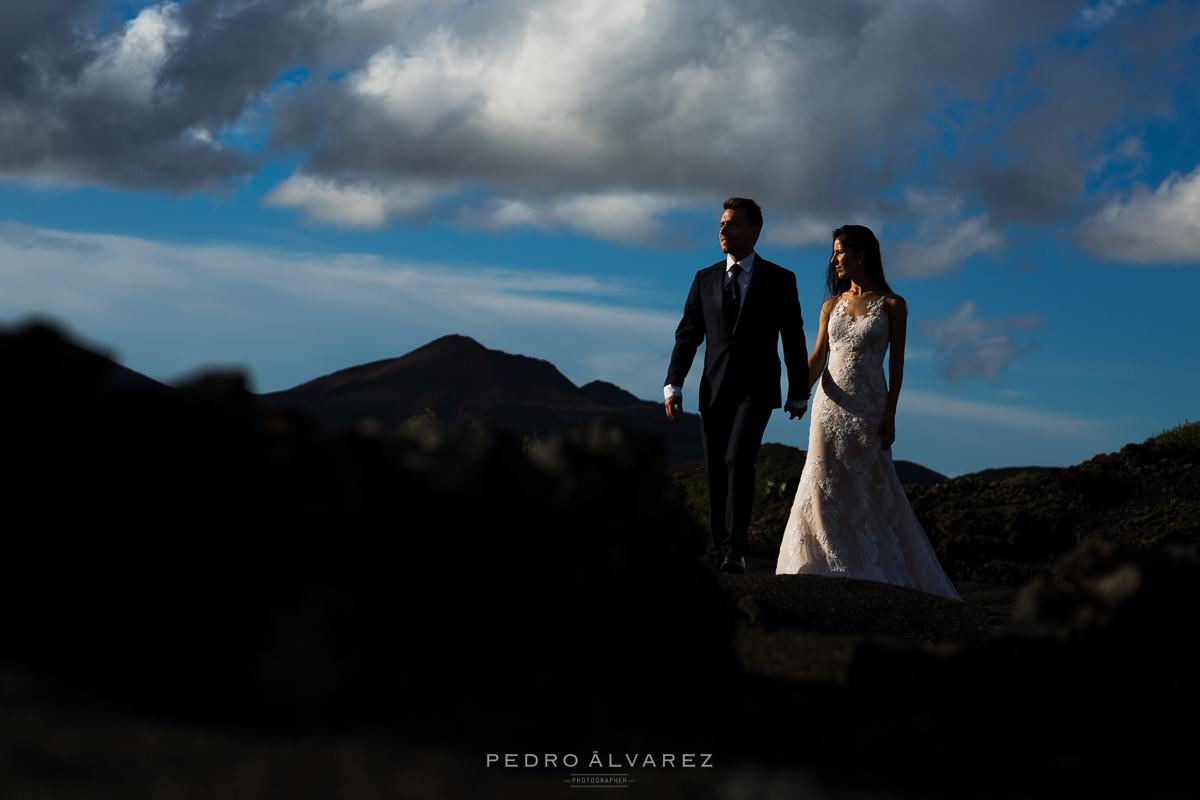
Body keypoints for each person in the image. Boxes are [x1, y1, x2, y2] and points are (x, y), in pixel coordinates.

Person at [775, 225, 959, 599]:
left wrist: (891, 414)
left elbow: (898, 366)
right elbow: (817, 358)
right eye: (833, 253)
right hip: (829, 405)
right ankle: (825, 562)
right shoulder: (831, 305)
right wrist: (797, 395)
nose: (834, 260)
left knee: (869, 483)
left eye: (840, 252)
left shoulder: (893, 305)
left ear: (863, 254)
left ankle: (874, 563)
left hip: (870, 406)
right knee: (823, 478)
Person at [665, 197, 809, 574]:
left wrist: (798, 391)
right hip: (713, 389)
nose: (722, 230)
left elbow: (793, 337)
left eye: (731, 224)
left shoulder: (780, 279)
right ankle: (717, 555)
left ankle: (734, 550)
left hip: (756, 390)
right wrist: (673, 384)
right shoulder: (704, 277)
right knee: (715, 467)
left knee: (738, 459)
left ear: (754, 231)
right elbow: (688, 336)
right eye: (721, 224)